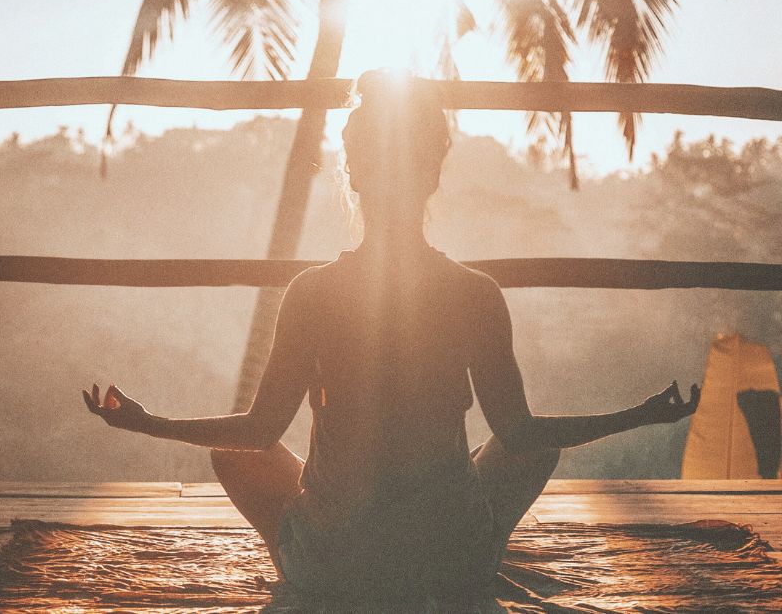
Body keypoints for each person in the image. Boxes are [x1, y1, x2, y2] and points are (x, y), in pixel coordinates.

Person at [82, 70, 700, 605]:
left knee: (235, 454)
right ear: (432, 177)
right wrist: (639, 415)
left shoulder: (313, 292)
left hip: (340, 558)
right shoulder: (474, 292)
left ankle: (308, 569)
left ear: (354, 174)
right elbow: (520, 433)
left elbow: (259, 432)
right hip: (442, 553)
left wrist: (149, 422)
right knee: (532, 447)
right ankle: (471, 561)